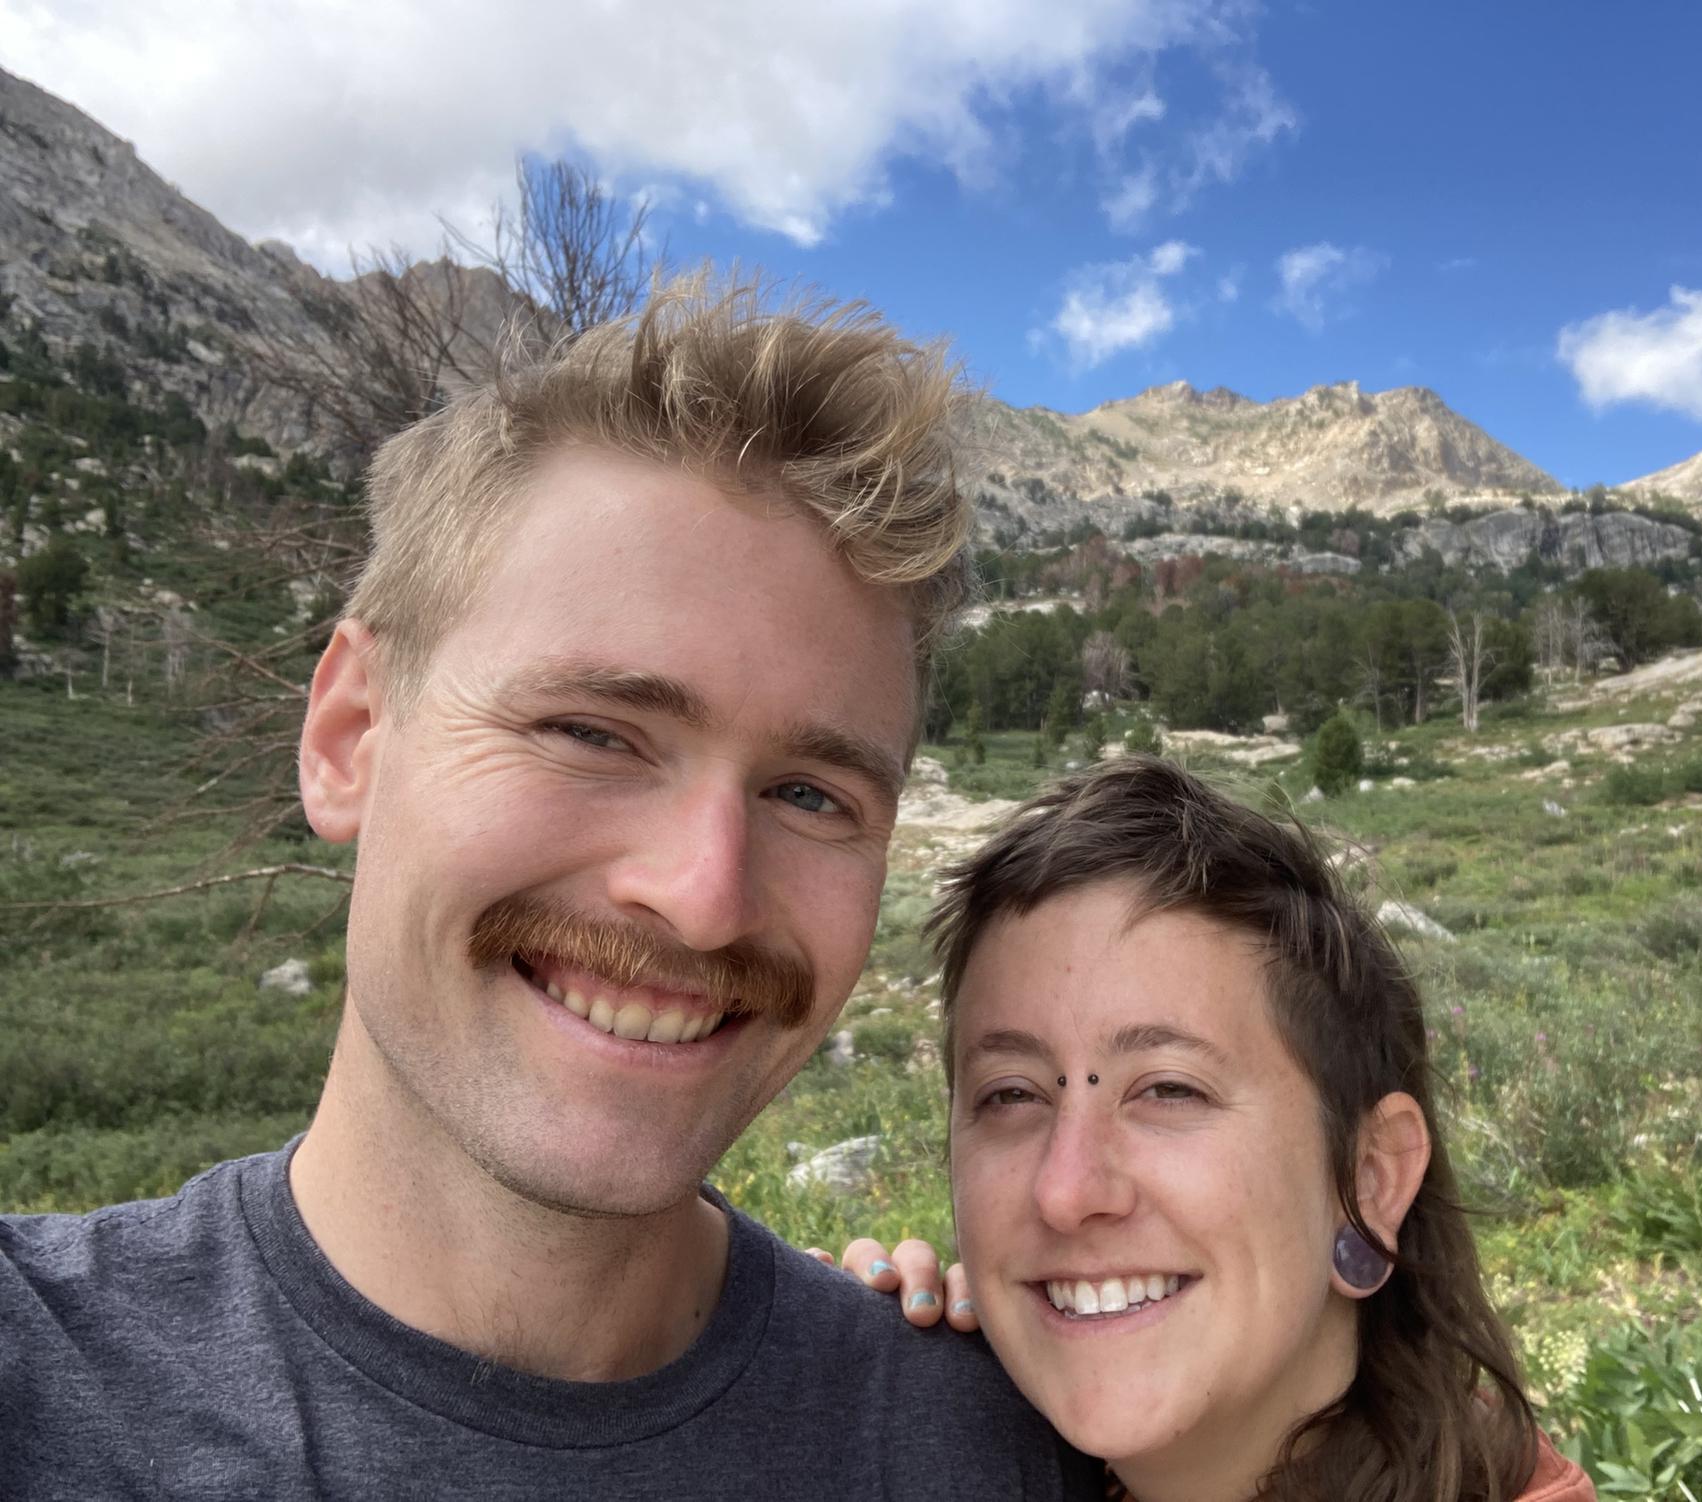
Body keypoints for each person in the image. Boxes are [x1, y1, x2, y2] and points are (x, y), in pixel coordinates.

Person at [0, 275, 1096, 1498]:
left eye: (808, 795)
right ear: (352, 734)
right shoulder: (39, 1384)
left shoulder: (985, 1445)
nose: (702, 896)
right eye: (592, 732)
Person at [831, 757, 1595, 1502]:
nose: (1066, 1192)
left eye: (1168, 1089)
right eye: (1012, 1097)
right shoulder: (981, 1453)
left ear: (1371, 1177)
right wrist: (816, 1381)